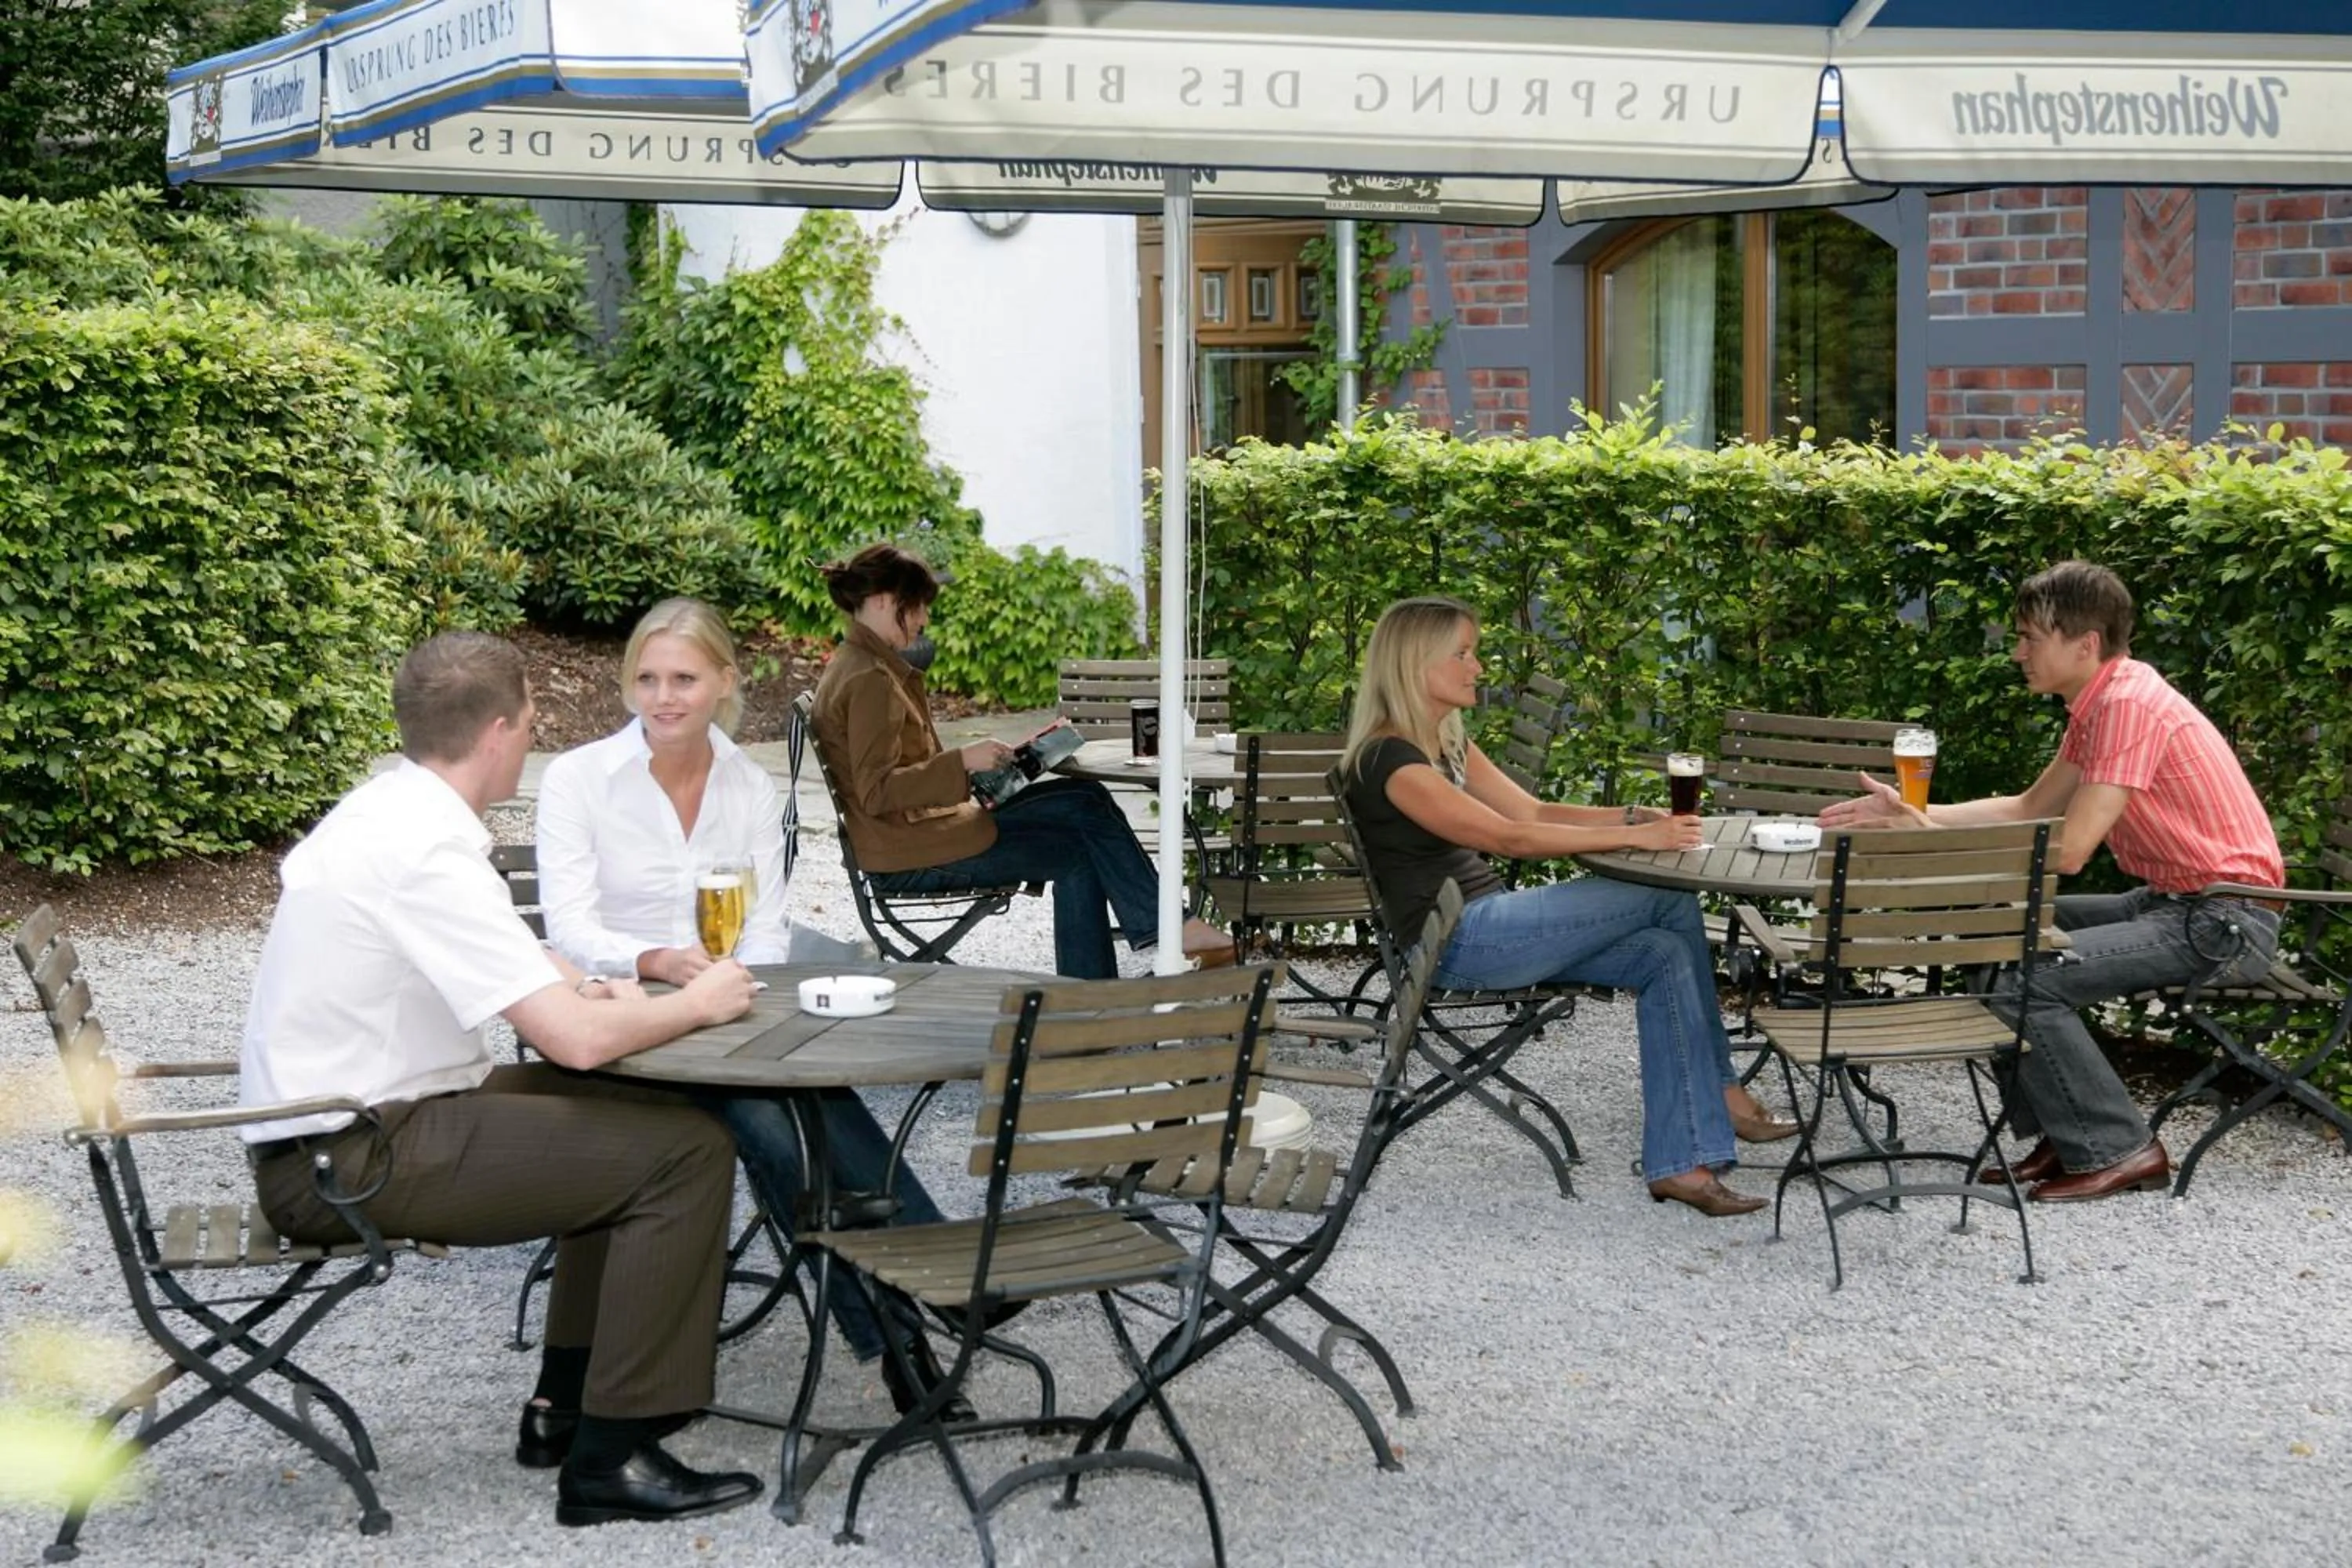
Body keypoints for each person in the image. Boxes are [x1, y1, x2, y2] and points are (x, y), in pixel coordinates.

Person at [239, 630, 764, 1527]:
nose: (531, 737)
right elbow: (575, 1042)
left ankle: (562, 1408)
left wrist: (585, 979)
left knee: (631, 1110)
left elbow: (520, 960)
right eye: (527, 722)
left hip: (362, 1119)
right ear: (495, 729)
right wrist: (701, 1002)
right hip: (347, 1153)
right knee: (686, 1152)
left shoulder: (395, 811)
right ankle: (613, 1455)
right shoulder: (425, 850)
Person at [535, 597, 965, 1417]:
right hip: (620, 1018)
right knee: (778, 1116)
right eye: (648, 678)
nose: (663, 697)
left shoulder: (749, 785)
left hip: (727, 1008)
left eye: (685, 679)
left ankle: (910, 1309)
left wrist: (731, 992)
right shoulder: (579, 778)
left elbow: (764, 931)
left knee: (791, 1099)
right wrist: (659, 959)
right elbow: (570, 929)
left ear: (724, 682)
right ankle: (909, 1312)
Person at [1820, 561, 2285, 1202]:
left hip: (2224, 921)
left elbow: (2068, 849)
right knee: (1991, 943)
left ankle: (2120, 1147)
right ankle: (2068, 1134)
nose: (2018, 653)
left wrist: (1927, 841)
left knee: (2024, 975)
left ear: (2085, 644)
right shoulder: (2103, 703)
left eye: (2030, 638)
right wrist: (1912, 816)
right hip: (2172, 903)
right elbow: (2026, 809)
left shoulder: (2126, 705)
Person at [1338, 596, 1795, 1218]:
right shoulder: (1391, 759)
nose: (1478, 667)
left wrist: (1632, 816)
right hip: (1461, 942)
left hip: (1493, 925)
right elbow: (1509, 839)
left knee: (1664, 953)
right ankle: (1726, 1096)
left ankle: (1683, 1165)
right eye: (1463, 654)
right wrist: (1637, 839)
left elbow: (1531, 811)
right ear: (1417, 663)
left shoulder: (1446, 742)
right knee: (1667, 895)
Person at [810, 542, 1232, 979]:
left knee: (1084, 796)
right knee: (1077, 848)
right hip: (911, 851)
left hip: (926, 828)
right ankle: (1142, 951)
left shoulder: (860, 664)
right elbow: (877, 791)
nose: (924, 620)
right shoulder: (869, 680)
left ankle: (1140, 951)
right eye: (917, 607)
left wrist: (981, 767)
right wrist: (962, 762)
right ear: (882, 601)